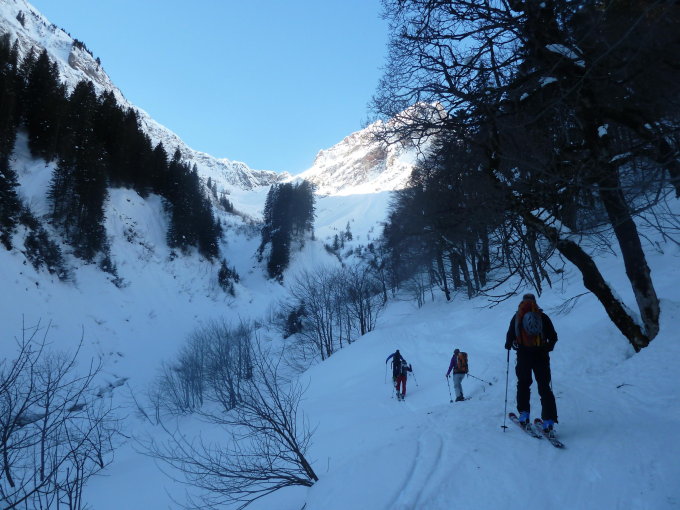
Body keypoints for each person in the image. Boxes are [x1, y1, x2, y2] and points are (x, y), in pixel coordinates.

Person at [505, 293, 559, 433]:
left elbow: (509, 338)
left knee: (523, 384)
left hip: (523, 355)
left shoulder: (517, 317)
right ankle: (548, 421)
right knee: (544, 387)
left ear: (522, 302)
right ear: (535, 302)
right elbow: (553, 337)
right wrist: (547, 348)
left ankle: (524, 415)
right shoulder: (543, 317)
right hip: (541, 355)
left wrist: (510, 345)